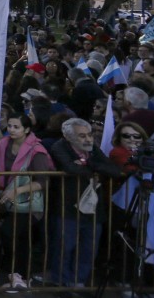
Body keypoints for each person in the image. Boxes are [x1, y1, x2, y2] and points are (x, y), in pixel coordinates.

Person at [45, 118, 122, 287]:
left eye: (89, 135)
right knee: (65, 247)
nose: (88, 139)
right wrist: (92, 168)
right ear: (68, 137)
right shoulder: (59, 147)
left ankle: (78, 280)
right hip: (68, 206)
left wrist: (88, 163)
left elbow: (114, 170)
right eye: (82, 136)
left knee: (89, 248)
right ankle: (61, 281)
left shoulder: (92, 149)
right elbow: (70, 168)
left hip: (93, 208)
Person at [0, 113, 54, 291]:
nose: (11, 130)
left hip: (27, 203)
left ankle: (19, 276)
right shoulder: (3, 144)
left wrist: (17, 190)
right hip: (7, 200)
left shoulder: (37, 151)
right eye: (10, 126)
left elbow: (43, 181)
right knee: (18, 239)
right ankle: (20, 277)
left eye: (16, 127)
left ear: (27, 129)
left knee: (12, 235)